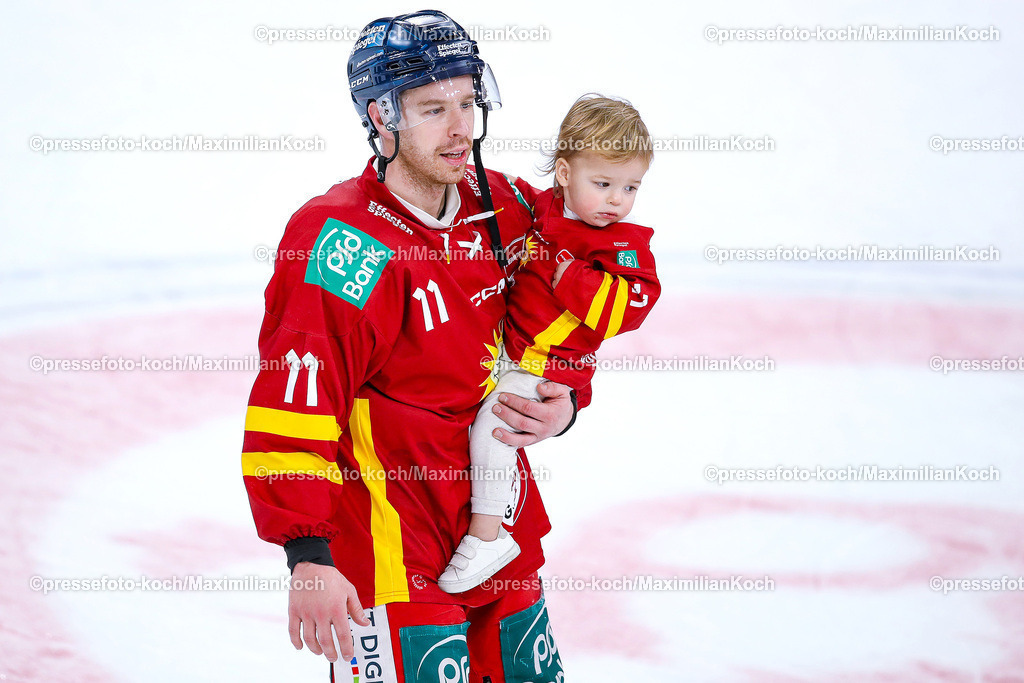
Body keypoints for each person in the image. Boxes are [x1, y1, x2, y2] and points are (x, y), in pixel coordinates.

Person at [241, 10, 576, 683]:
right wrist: (309, 555)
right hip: (391, 547)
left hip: (495, 527)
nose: (460, 128)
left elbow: (571, 301)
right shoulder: (344, 241)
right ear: (381, 115)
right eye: (433, 109)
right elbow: (297, 402)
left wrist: (565, 398)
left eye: (467, 103)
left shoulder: (501, 204)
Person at [439, 95, 662, 593]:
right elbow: (511, 193)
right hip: (510, 350)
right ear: (564, 173)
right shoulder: (544, 208)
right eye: (603, 184)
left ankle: (487, 534)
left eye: (630, 187)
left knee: (494, 427)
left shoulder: (622, 244)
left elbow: (632, 308)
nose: (616, 200)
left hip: (546, 366)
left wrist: (572, 276)